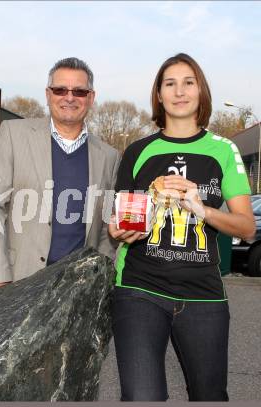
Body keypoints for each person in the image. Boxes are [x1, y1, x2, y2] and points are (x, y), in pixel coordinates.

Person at [108, 53, 255, 401]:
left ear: (201, 91)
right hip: (140, 289)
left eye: (188, 82)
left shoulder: (224, 150)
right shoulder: (138, 151)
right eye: (169, 84)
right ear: (158, 94)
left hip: (203, 292)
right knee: (142, 397)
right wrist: (123, 229)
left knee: (209, 396)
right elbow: (123, 221)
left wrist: (202, 209)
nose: (179, 91)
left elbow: (247, 227)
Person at [0, 57, 119, 290]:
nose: (69, 97)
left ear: (91, 98)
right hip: (17, 282)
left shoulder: (109, 156)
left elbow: (105, 230)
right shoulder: (13, 135)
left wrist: (98, 281)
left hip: (77, 291)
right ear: (48, 94)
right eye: (60, 89)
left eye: (79, 92)